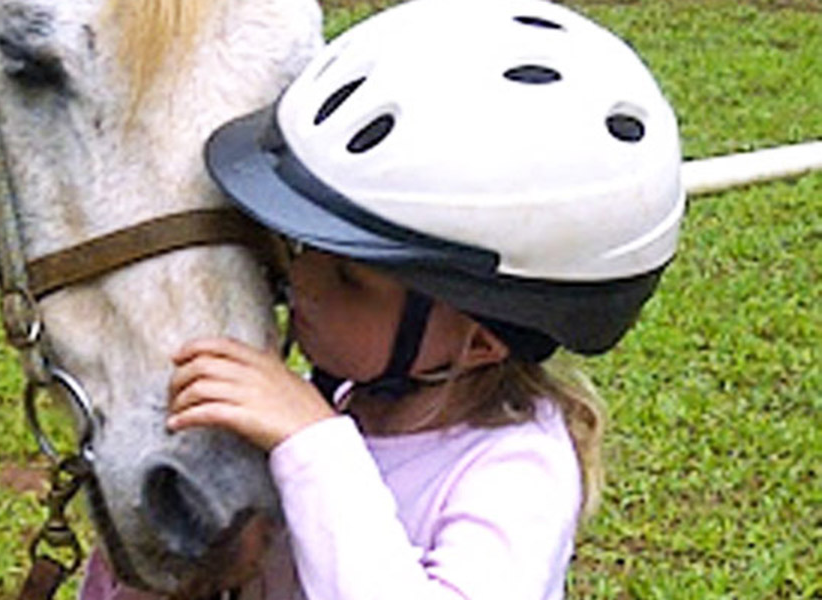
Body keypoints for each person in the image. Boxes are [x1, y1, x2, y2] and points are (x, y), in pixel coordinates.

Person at [79, 0, 684, 598]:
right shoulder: (332, 402)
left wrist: (313, 446)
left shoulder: (516, 471)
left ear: (478, 342)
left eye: (348, 277)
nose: (301, 279)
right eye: (305, 246)